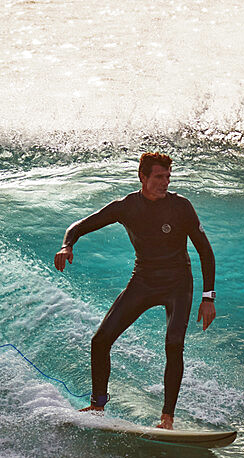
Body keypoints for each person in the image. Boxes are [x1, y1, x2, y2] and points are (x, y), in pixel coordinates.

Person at [54, 153, 216, 430]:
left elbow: (205, 250)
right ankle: (97, 405)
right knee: (100, 340)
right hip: (143, 282)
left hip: (177, 284)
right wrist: (67, 245)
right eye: (158, 177)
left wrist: (208, 297)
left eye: (168, 176)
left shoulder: (181, 207)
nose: (165, 182)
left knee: (174, 345)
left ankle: (167, 418)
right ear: (142, 177)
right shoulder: (126, 207)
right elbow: (79, 226)